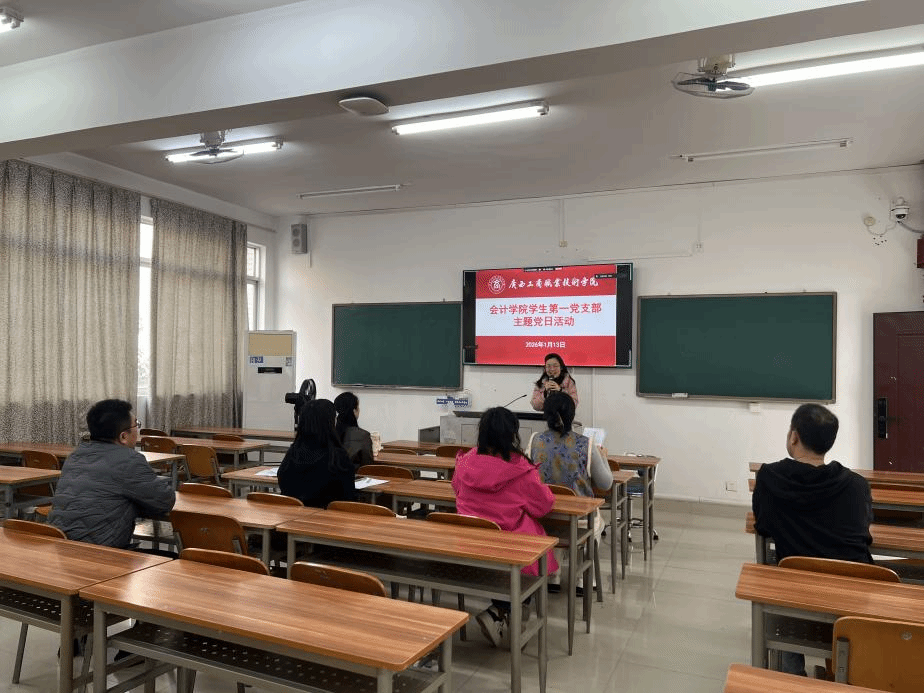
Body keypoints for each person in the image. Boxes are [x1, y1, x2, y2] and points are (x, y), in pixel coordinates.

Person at [752, 403, 873, 676]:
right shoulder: (857, 485)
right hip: (853, 595)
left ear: (793, 437)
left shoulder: (770, 478)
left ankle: (792, 676)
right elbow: (864, 533)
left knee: (784, 586)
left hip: (797, 592)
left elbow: (763, 526)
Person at [452, 407, 558, 647]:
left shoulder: (466, 461)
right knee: (533, 545)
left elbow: (456, 489)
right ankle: (503, 612)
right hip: (506, 549)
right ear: (513, 434)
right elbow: (543, 506)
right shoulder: (520, 469)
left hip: (467, 543)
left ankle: (501, 613)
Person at [50, 399, 176, 549]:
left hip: (62, 549)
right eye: (136, 424)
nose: (137, 429)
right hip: (101, 554)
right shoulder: (130, 460)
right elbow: (165, 501)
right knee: (177, 559)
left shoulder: (75, 456)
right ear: (123, 437)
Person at [529, 391, 612, 593]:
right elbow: (606, 483)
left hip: (544, 515)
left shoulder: (535, 440)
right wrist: (603, 457)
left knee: (557, 521)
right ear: (572, 415)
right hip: (579, 520)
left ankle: (553, 576)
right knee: (597, 522)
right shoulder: (586, 444)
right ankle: (583, 580)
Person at [278, 398, 357, 508]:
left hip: (291, 515)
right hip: (328, 517)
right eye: (334, 417)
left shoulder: (293, 452)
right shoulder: (337, 456)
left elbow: (283, 484)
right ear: (329, 423)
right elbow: (348, 497)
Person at [333, 391, 374, 469]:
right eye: (358, 407)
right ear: (354, 411)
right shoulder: (363, 435)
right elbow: (367, 467)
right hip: (354, 475)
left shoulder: (330, 432)